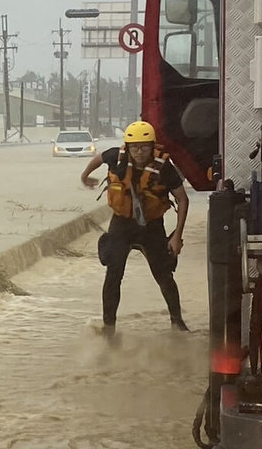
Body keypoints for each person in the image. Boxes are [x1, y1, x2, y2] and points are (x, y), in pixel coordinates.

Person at [80, 121, 190, 336]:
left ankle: (177, 323)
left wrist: (177, 236)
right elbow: (98, 158)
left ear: (152, 146)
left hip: (151, 227)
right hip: (122, 224)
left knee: (164, 275)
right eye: (135, 147)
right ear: (128, 147)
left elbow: (183, 199)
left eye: (144, 147)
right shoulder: (116, 156)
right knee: (113, 274)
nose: (139, 152)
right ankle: (109, 328)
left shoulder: (164, 168)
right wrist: (85, 175)